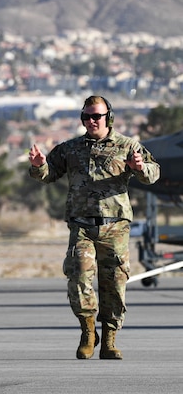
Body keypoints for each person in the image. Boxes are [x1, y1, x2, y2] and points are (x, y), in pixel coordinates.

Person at [29, 95, 159, 360]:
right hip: (82, 225)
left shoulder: (127, 146)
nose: (91, 121)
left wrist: (139, 167)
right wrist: (39, 166)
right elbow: (49, 174)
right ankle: (88, 332)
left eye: (97, 116)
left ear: (108, 117)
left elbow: (153, 173)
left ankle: (110, 338)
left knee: (114, 283)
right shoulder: (70, 148)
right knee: (78, 278)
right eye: (87, 116)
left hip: (115, 226)